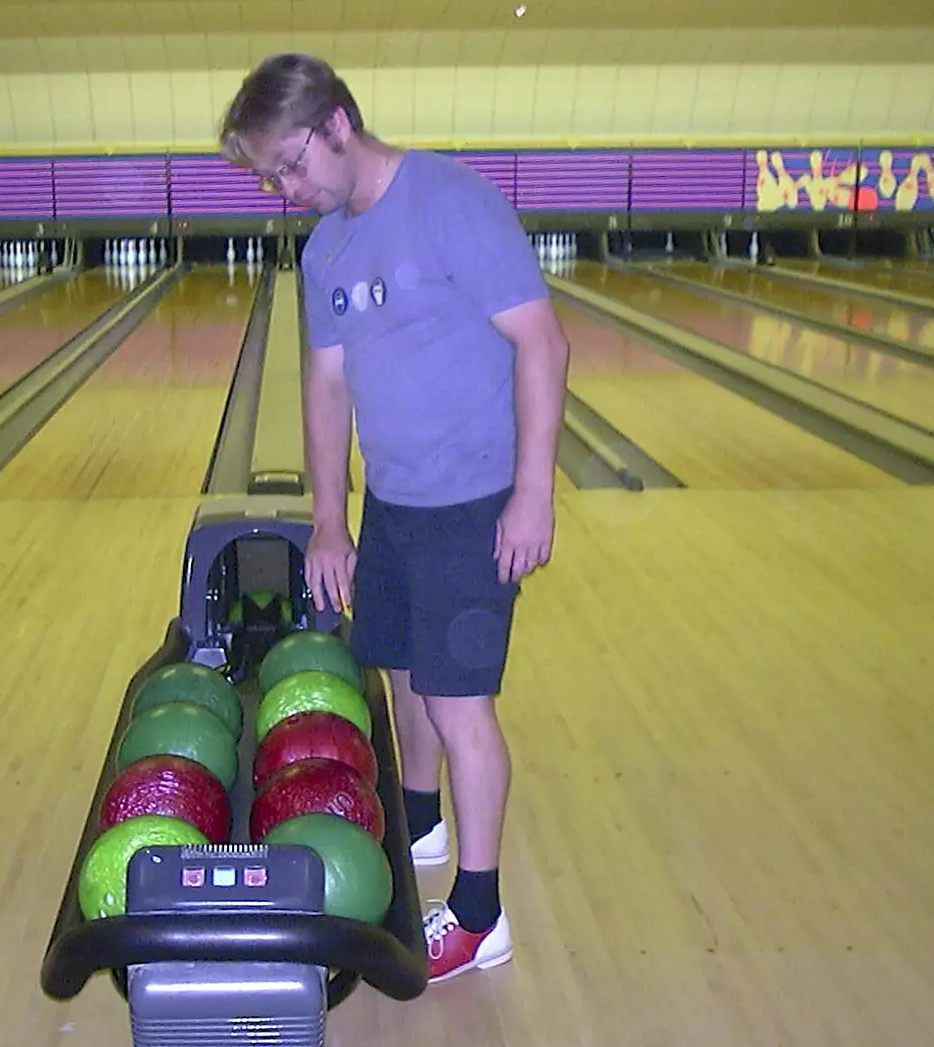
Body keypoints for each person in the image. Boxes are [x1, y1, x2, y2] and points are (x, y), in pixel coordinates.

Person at [219, 55, 570, 983]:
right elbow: (327, 385)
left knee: (460, 705)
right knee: (406, 679)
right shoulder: (324, 247)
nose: (283, 189)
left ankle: (482, 909)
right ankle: (419, 820)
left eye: (288, 166)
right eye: (268, 177)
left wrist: (534, 489)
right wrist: (328, 518)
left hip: (474, 502)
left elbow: (542, 339)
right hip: (395, 506)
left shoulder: (453, 200)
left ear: (337, 122)